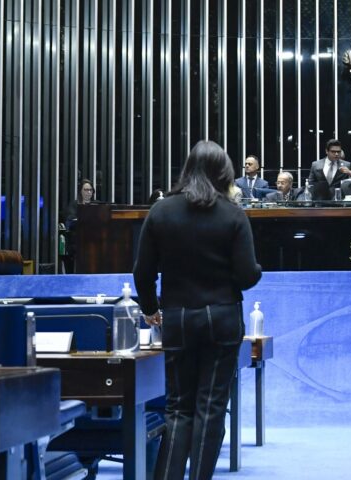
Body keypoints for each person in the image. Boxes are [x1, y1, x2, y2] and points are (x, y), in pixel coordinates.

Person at [133, 140, 262, 480]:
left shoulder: (161, 211)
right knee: (211, 406)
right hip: (222, 317)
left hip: (177, 317)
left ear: (188, 170)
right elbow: (248, 276)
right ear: (225, 173)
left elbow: (142, 272)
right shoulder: (233, 214)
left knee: (178, 407)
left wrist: (150, 308)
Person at [60, 179, 95, 273]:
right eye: (86, 190)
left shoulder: (95, 205)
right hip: (76, 241)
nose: (88, 192)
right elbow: (70, 221)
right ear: (81, 191)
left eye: (90, 190)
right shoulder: (74, 204)